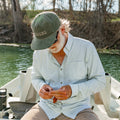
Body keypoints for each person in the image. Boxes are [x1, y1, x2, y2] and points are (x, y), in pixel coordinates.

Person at [21, 11, 106, 120]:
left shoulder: (86, 48)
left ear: (62, 29)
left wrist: (73, 90)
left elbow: (100, 81)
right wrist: (41, 87)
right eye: (44, 43)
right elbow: (36, 77)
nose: (49, 46)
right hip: (46, 107)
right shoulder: (38, 53)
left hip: (79, 108)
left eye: (52, 41)